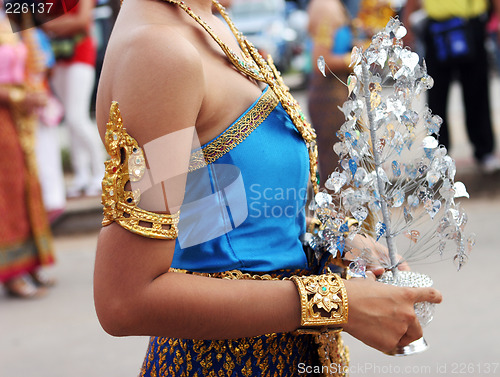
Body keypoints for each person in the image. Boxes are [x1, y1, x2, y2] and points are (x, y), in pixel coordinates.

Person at [93, 0, 442, 375]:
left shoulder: (206, 17)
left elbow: (206, 217)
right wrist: (334, 302)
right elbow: (126, 300)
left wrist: (337, 243)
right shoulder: (159, 52)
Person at [404, 0, 500, 174]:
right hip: (437, 28)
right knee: (436, 95)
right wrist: (406, 26)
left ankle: (484, 150)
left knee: (477, 91)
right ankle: (437, 153)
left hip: (470, 24)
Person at [0, 11, 56, 298]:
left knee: (27, 185)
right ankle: (11, 271)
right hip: (4, 115)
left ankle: (30, 262)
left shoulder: (11, 15)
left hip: (19, 117)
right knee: (6, 191)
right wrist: (21, 96)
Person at [43, 0, 105, 197]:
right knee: (70, 120)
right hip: (58, 58)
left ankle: (101, 171)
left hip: (81, 55)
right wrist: (60, 24)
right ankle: (82, 175)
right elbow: (41, 20)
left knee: (77, 118)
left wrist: (54, 25)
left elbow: (81, 21)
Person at [307, 0, 353, 185]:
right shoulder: (325, 7)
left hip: (338, 93)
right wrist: (355, 58)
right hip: (330, 98)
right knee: (336, 168)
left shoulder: (333, 4)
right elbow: (320, 61)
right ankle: (337, 213)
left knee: (347, 166)